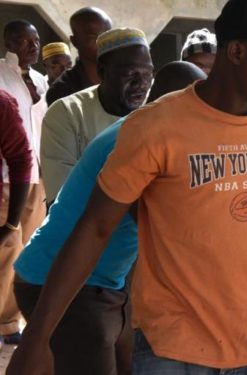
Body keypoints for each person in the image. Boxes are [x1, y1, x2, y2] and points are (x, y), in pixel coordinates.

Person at [7, 1, 247, 374]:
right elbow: (97, 227)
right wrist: (39, 337)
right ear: (236, 51)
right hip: (167, 344)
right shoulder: (151, 129)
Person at [12, 61, 205, 375]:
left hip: (104, 282)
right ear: (170, 102)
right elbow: (156, 228)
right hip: (63, 283)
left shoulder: (148, 128)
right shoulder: (139, 139)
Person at [41, 27, 153, 203]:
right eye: (131, 74)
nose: (141, 83)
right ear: (102, 71)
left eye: (148, 74)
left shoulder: (157, 112)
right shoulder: (66, 113)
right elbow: (64, 197)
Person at [0, 19, 48, 346]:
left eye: (35, 40)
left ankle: (15, 317)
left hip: (38, 176)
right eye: (24, 40)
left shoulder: (42, 80)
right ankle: (4, 323)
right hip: (8, 177)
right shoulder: (2, 74)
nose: (32, 46)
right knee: (7, 249)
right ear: (9, 43)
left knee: (31, 248)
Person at [0, 90, 32, 348]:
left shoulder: (1, 103)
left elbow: (20, 158)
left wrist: (11, 223)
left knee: (6, 264)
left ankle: (7, 323)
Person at [46, 7, 112, 105]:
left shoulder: (124, 77)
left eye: (109, 35)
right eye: (93, 37)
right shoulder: (62, 92)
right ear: (74, 41)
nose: (105, 42)